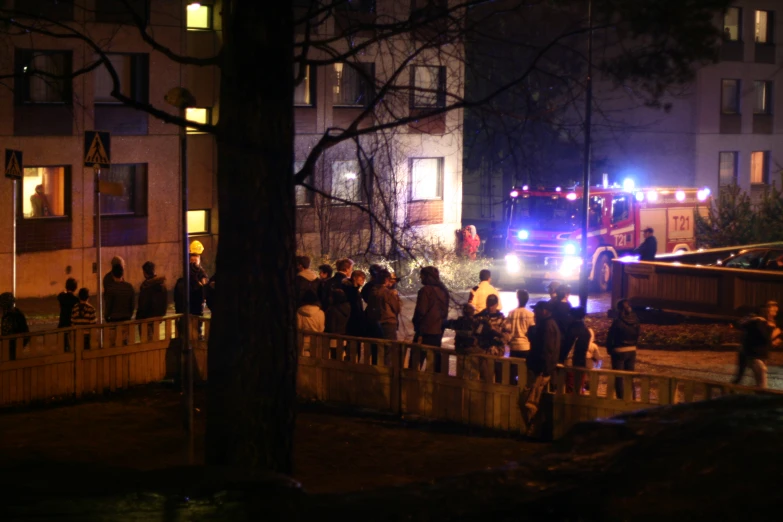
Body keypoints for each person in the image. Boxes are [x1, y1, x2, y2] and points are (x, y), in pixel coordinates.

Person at [521, 301, 560, 432]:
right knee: (535, 399)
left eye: (536, 310)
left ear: (544, 311)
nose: (534, 313)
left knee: (532, 401)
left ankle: (533, 429)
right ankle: (535, 428)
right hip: (542, 367)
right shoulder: (548, 324)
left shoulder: (546, 326)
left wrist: (544, 368)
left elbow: (546, 349)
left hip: (540, 369)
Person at [732, 301, 781, 388]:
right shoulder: (758, 321)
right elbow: (764, 337)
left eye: (776, 311)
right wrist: (775, 332)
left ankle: (732, 390)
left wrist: (773, 341)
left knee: (753, 379)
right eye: (773, 311)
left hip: (760, 354)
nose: (775, 314)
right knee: (761, 382)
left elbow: (765, 341)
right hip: (753, 355)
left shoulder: (766, 322)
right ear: (767, 310)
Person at [606, 299, 640, 399]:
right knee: (630, 377)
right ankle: (632, 398)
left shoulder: (618, 321)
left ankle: (621, 399)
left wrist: (610, 349)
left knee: (619, 377)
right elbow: (637, 334)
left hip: (619, 350)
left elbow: (611, 336)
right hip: (632, 350)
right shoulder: (636, 320)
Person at [175, 241, 209, 338]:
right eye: (193, 256)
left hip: (188, 311)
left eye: (196, 256)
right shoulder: (198, 275)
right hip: (192, 311)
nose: (193, 259)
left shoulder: (187, 276)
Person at [412, 266, 450, 348]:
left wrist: (416, 323)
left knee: (416, 358)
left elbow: (421, 311)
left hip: (425, 331)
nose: (420, 278)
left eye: (422, 275)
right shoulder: (443, 291)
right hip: (438, 330)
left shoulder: (425, 291)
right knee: (434, 357)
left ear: (427, 277)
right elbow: (445, 313)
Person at [474, 294, 508, 382]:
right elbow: (476, 333)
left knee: (499, 379)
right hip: (485, 352)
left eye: (493, 304)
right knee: (485, 379)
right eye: (489, 304)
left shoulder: (502, 319)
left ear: (497, 304)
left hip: (498, 353)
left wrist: (496, 333)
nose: (490, 307)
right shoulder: (481, 318)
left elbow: (507, 337)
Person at [136, 261, 168, 341]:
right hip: (157, 319)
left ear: (145, 273)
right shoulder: (162, 285)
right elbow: (164, 303)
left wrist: (138, 318)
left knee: (146, 344)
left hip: (146, 320)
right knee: (155, 343)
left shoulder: (146, 286)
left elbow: (143, 305)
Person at [565, 306, 592, 392]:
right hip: (581, 361)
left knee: (570, 386)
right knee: (579, 385)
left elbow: (567, 346)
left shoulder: (572, 329)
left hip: (571, 361)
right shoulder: (586, 330)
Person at [0, 292, 30, 361]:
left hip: (13, 347)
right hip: (8, 347)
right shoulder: (7, 316)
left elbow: (25, 333)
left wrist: (18, 346)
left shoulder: (15, 316)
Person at [506, 289, 535, 358]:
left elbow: (507, 328)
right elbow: (532, 332)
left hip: (513, 346)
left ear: (517, 299)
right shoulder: (530, 314)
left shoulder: (511, 313)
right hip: (525, 346)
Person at [552, 284, 574, 363]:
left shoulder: (553, 304)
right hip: (563, 336)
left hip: (554, 335)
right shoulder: (567, 306)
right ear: (566, 294)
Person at [57, 277, 80, 352]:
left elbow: (60, 294)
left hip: (62, 322)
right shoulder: (76, 300)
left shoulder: (61, 297)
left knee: (63, 345)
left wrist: (65, 291)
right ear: (75, 288)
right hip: (71, 323)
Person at [345, 270, 366, 337]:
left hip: (356, 321)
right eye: (361, 278)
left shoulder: (356, 290)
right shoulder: (351, 290)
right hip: (353, 321)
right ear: (354, 278)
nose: (363, 280)